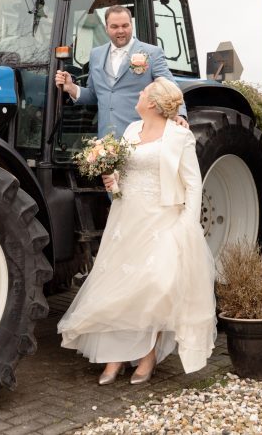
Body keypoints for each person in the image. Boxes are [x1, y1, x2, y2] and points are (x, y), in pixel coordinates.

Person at [57, 78, 217, 385]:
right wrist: (111, 181)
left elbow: (193, 182)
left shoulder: (180, 135)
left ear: (154, 103)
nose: (139, 94)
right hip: (127, 217)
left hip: (163, 219)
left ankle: (148, 354)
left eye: (143, 92)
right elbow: (124, 173)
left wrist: (187, 223)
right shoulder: (131, 130)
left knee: (156, 285)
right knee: (121, 286)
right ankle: (115, 356)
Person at [54, 5, 188, 137]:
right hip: (107, 141)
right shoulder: (96, 54)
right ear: (106, 28)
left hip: (141, 137)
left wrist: (179, 114)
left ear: (131, 25)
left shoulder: (152, 53)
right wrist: (71, 87)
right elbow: (94, 94)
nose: (120, 31)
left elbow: (170, 88)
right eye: (114, 26)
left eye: (125, 26)